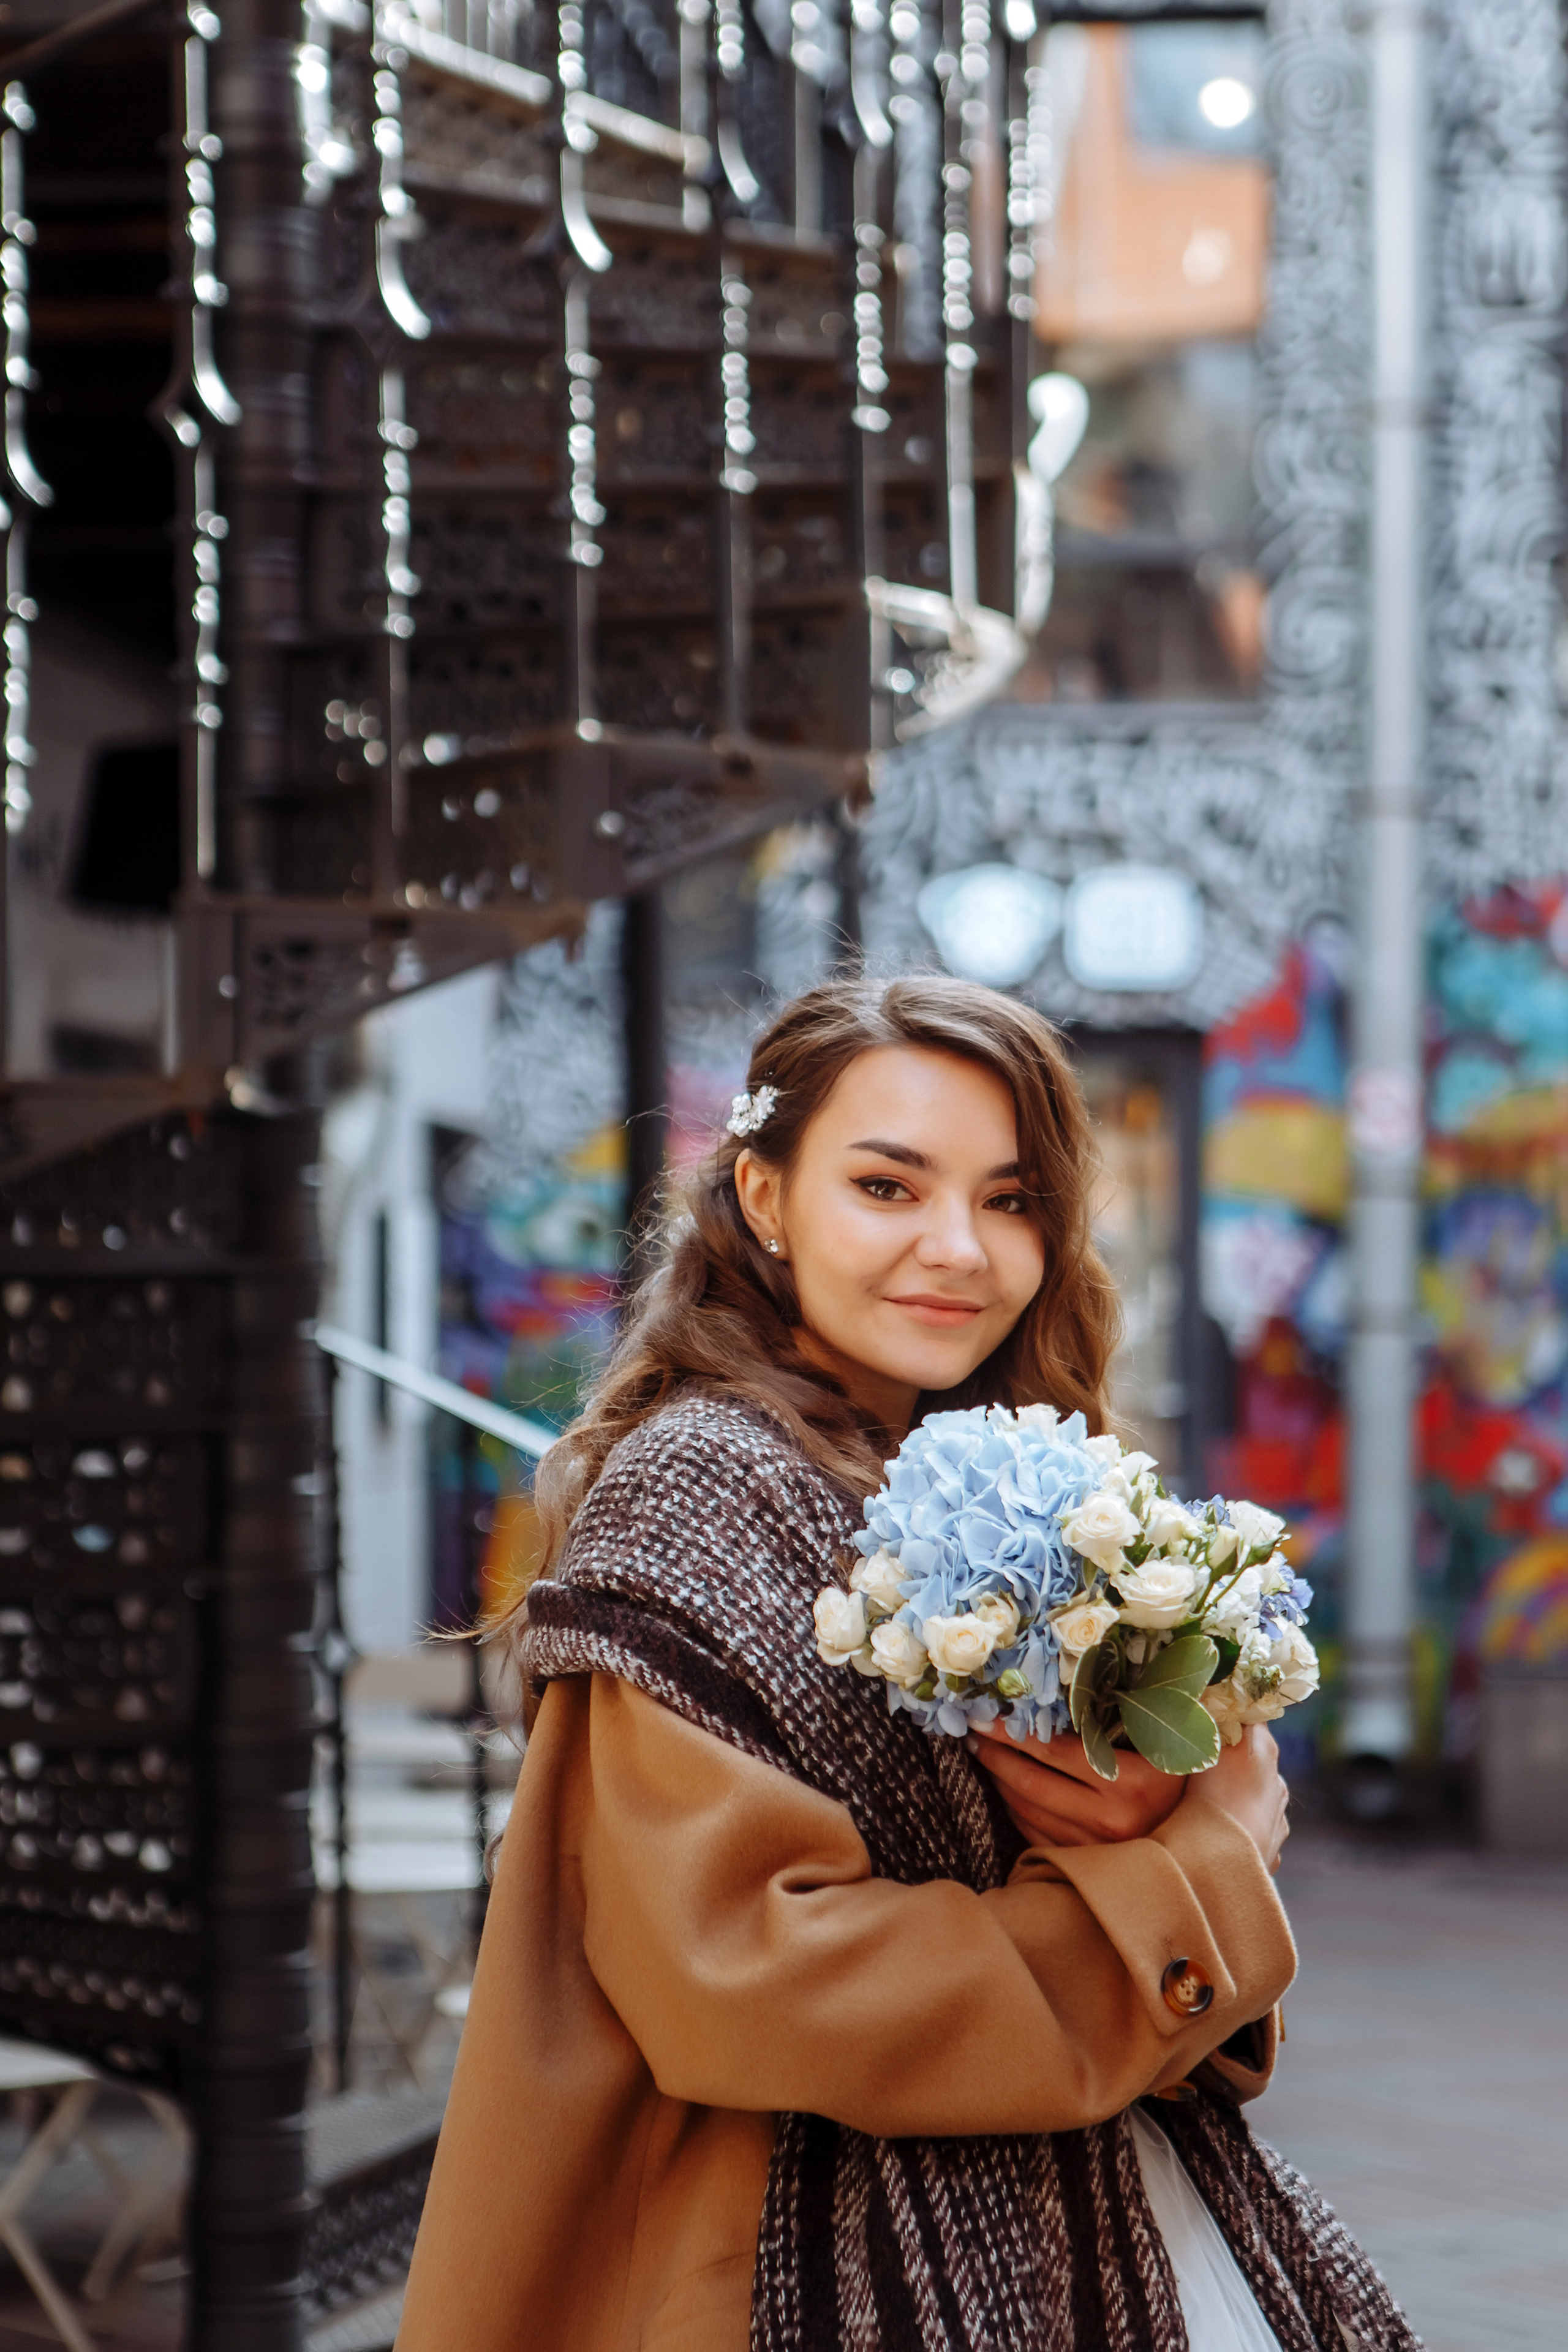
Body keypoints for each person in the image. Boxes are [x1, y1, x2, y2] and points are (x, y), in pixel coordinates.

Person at [397, 974, 1418, 2352]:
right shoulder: (703, 1483)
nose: (959, 1247)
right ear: (762, 1197)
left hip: (1076, 2210)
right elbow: (752, 1986)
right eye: (887, 1187)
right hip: (816, 2254)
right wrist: (1197, 1868)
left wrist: (1164, 1813)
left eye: (1009, 1200)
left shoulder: (971, 1462)